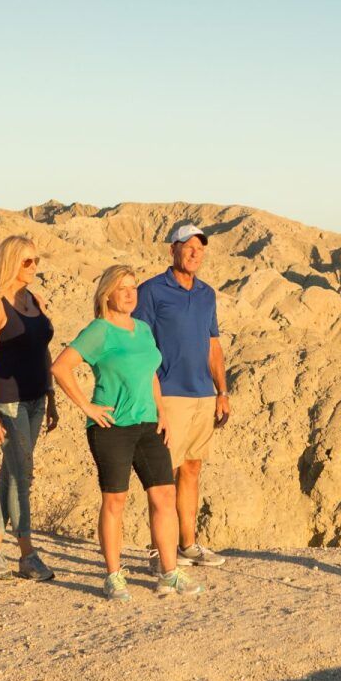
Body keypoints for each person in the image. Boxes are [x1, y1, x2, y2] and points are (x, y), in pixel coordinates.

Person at [51, 265, 200, 601]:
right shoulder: (99, 331)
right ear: (107, 294)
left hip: (149, 425)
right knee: (115, 500)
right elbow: (60, 367)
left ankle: (169, 572)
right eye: (123, 288)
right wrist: (87, 407)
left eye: (134, 287)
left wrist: (160, 410)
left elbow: (150, 373)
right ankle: (114, 576)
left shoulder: (143, 329)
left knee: (163, 497)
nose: (132, 294)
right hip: (112, 427)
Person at [134, 223, 228, 568]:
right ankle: (162, 550)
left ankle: (187, 545)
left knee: (191, 469)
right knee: (163, 474)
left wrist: (223, 391)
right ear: (172, 249)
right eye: (187, 247)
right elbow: (138, 341)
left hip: (203, 394)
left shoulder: (207, 294)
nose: (194, 253)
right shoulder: (151, 292)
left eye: (200, 249)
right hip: (168, 394)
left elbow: (213, 345)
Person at [0, 234, 60, 580]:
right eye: (27, 261)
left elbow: (43, 350)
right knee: (20, 475)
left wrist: (52, 394)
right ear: (10, 262)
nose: (34, 267)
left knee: (12, 472)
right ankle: (27, 554)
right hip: (8, 401)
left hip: (37, 398)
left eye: (36, 261)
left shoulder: (35, 300)